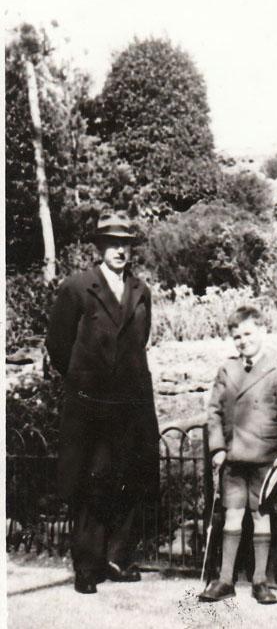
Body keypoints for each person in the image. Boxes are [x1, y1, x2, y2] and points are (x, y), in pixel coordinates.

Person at [46, 210, 159, 594]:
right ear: (100, 247)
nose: (119, 251)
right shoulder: (78, 287)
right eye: (112, 244)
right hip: (90, 403)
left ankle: (117, 557)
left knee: (129, 478)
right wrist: (82, 378)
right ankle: (87, 565)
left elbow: (139, 341)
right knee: (91, 481)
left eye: (125, 244)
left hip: (130, 402)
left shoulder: (141, 290)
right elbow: (58, 346)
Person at [199, 305, 277, 605]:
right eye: (237, 336)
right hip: (233, 457)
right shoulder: (226, 370)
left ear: (262, 332)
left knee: (261, 515)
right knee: (232, 514)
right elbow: (214, 413)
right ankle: (226, 579)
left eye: (248, 334)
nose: (243, 341)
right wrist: (217, 448)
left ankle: (260, 581)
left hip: (265, 456)